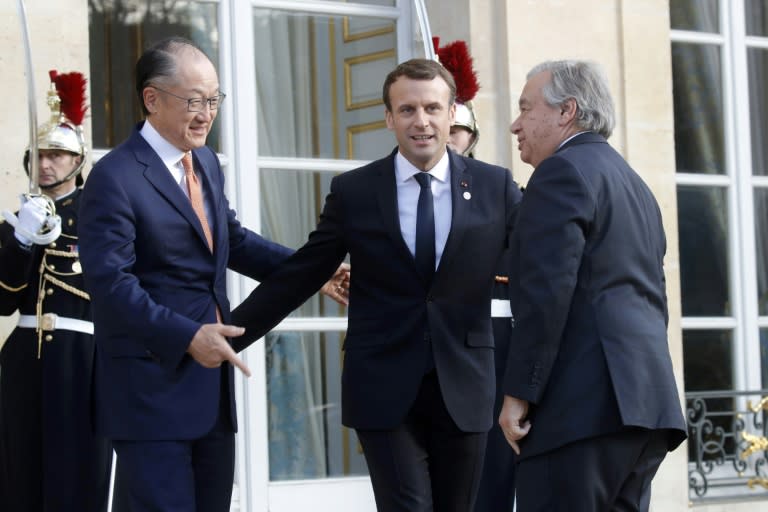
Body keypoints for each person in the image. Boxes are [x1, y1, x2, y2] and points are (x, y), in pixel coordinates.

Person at [229, 58, 522, 512]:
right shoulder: (356, 192)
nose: (420, 121)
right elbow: (302, 273)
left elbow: (537, 266)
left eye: (431, 108)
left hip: (465, 387)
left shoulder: (495, 187)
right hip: (384, 387)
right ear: (388, 118)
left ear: (451, 115)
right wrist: (231, 332)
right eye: (406, 110)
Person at [77, 37, 347, 512]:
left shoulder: (204, 162)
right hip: (148, 393)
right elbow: (110, 283)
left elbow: (233, 241)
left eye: (214, 100)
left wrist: (314, 272)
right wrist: (186, 337)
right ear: (152, 99)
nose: (206, 113)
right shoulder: (113, 178)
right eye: (194, 101)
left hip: (211, 392)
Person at [499, 60, 687, 511]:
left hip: (580, 412)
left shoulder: (560, 173)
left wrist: (518, 394)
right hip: (644, 410)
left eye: (526, 108)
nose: (514, 124)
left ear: (567, 111)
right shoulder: (633, 183)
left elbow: (547, 294)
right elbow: (650, 297)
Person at [0, 71, 113, 511]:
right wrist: (23, 240)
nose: (46, 164)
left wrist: (58, 233)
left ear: (78, 162)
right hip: (25, 356)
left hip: (79, 358)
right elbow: (5, 299)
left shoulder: (101, 215)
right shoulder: (17, 220)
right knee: (19, 468)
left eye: (58, 155)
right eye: (40, 155)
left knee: (76, 471)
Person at [434, 36, 516, 512]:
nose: (449, 138)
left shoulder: (500, 192)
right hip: (426, 355)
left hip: (491, 351)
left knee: (489, 486)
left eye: (457, 128)